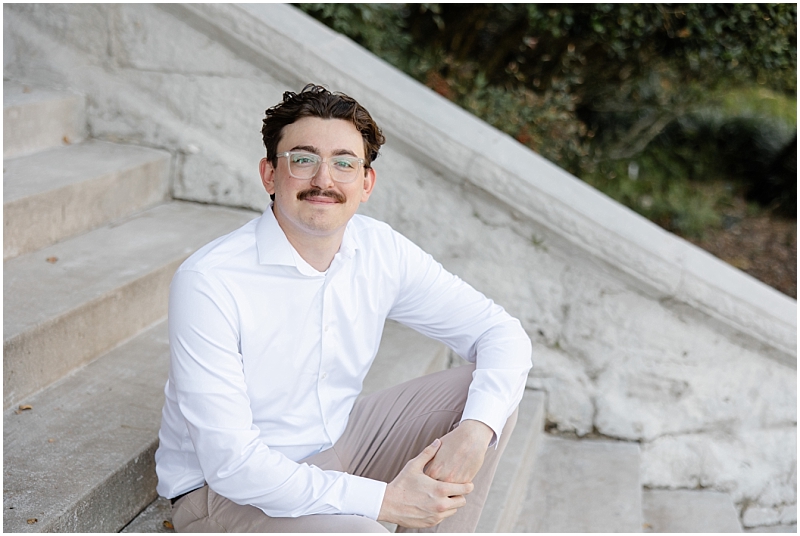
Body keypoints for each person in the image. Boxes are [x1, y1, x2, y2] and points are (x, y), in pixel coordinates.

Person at [155, 84, 532, 532]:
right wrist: (384, 502)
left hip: (342, 446)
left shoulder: (380, 249)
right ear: (270, 176)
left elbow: (501, 334)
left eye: (344, 163)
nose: (324, 180)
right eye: (303, 159)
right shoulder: (211, 281)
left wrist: (474, 434)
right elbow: (233, 465)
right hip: (227, 496)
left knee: (489, 397)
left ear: (366, 182)